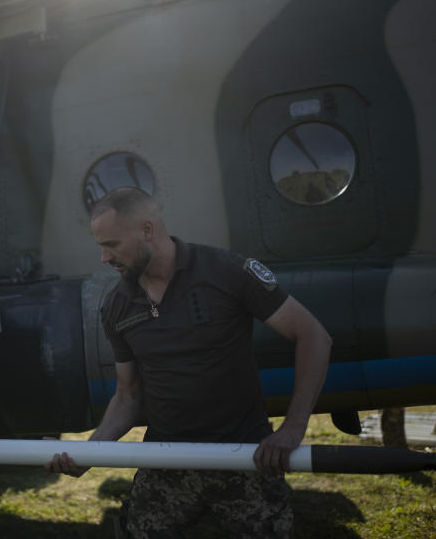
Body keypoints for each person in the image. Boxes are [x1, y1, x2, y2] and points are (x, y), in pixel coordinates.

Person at [46, 187, 332, 538]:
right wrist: (90, 453)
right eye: (101, 246)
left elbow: (314, 337)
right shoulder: (118, 305)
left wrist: (293, 428)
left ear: (147, 230)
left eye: (112, 244)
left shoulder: (227, 272)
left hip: (243, 455)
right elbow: (128, 396)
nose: (105, 258)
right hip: (168, 460)